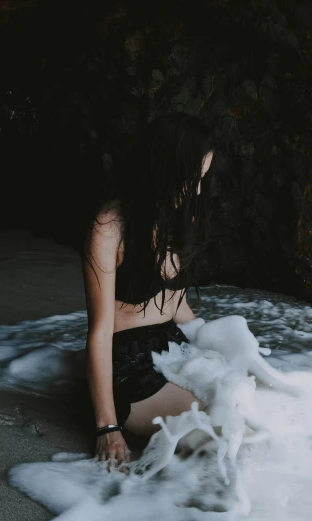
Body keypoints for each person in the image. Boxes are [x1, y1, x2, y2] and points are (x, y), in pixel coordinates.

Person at [80, 113, 215, 469]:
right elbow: (98, 332)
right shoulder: (109, 228)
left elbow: (177, 305)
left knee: (257, 405)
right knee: (221, 428)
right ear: (164, 169)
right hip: (129, 363)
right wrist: (106, 428)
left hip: (173, 345)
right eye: (191, 179)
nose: (197, 190)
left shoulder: (181, 216)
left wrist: (221, 348)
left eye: (201, 179)